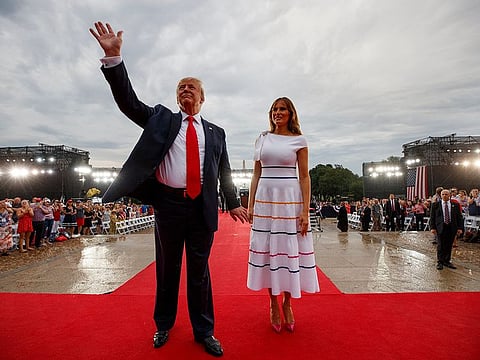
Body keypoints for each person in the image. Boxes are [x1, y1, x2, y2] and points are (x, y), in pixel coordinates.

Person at [89, 21, 248, 357]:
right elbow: (129, 104)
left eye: (191, 87)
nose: (185, 91)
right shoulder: (162, 118)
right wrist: (114, 60)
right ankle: (163, 324)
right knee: (168, 268)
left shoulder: (216, 133)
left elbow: (225, 171)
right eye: (180, 88)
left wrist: (232, 202)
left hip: (202, 208)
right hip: (168, 205)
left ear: (202, 97)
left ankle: (204, 331)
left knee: (199, 273)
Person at [246, 97, 320, 333]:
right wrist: (250, 205)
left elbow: (305, 176)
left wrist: (305, 211)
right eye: (274, 109)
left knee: (288, 251)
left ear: (291, 114)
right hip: (266, 201)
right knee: (269, 250)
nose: (278, 113)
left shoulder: (300, 140)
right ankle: (273, 303)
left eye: (282, 109)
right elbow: (256, 174)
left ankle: (288, 302)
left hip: (290, 200)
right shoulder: (262, 139)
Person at [429, 189, 463, 270]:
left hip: (451, 227)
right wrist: (432, 227)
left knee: (449, 245)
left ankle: (447, 261)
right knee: (440, 245)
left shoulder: (455, 205)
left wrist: (460, 228)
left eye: (446, 194)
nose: (444, 196)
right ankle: (440, 261)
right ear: (441, 195)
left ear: (449, 195)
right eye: (443, 194)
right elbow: (432, 217)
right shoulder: (435, 205)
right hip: (440, 227)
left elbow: (459, 217)